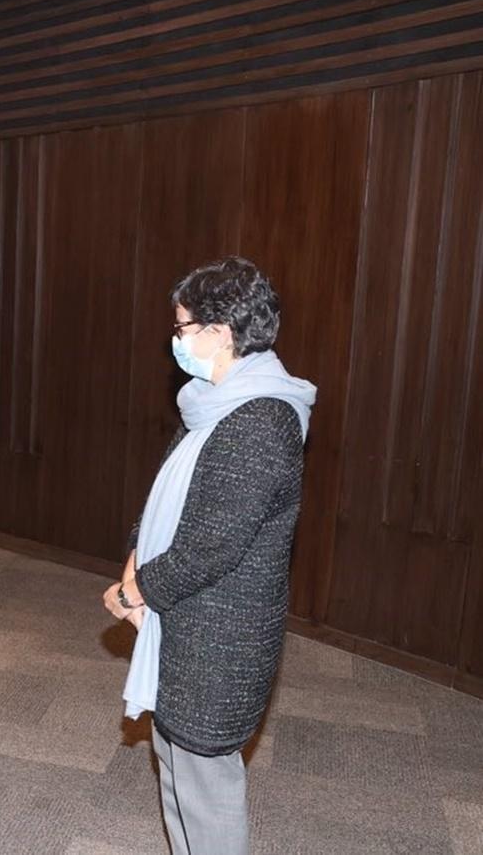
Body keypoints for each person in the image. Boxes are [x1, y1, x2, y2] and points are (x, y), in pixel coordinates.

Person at [103, 256, 316, 854]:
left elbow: (209, 546)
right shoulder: (209, 403)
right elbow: (164, 495)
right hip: (187, 626)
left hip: (220, 637)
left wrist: (133, 591)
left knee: (206, 786)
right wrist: (133, 559)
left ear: (219, 334)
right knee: (175, 773)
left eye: (181, 329)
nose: (176, 341)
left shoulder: (262, 418)